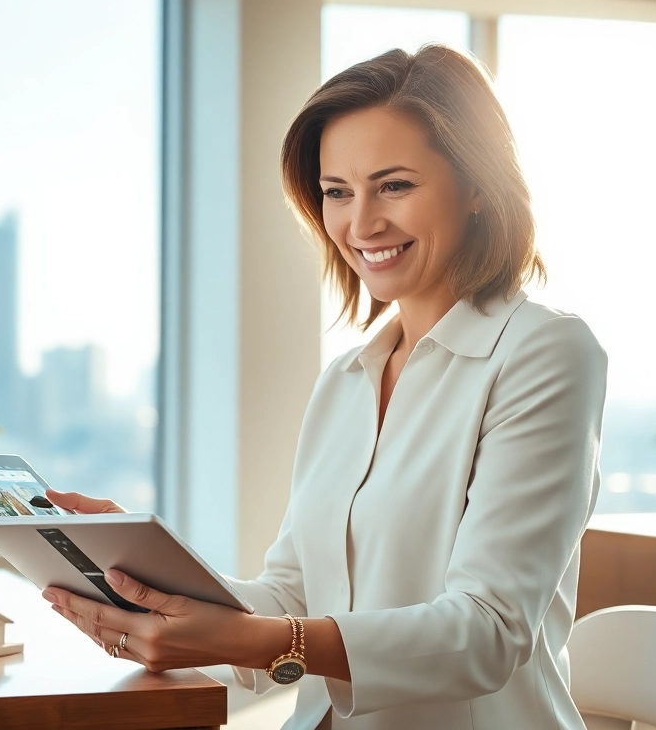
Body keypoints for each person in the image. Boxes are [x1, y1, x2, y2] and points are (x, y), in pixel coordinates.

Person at [41, 44, 608, 730]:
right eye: (337, 191)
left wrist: (267, 640)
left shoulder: (544, 352)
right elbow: (289, 595)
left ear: (479, 185)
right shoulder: (345, 381)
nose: (360, 223)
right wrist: (149, 579)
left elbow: (486, 633)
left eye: (394, 185)